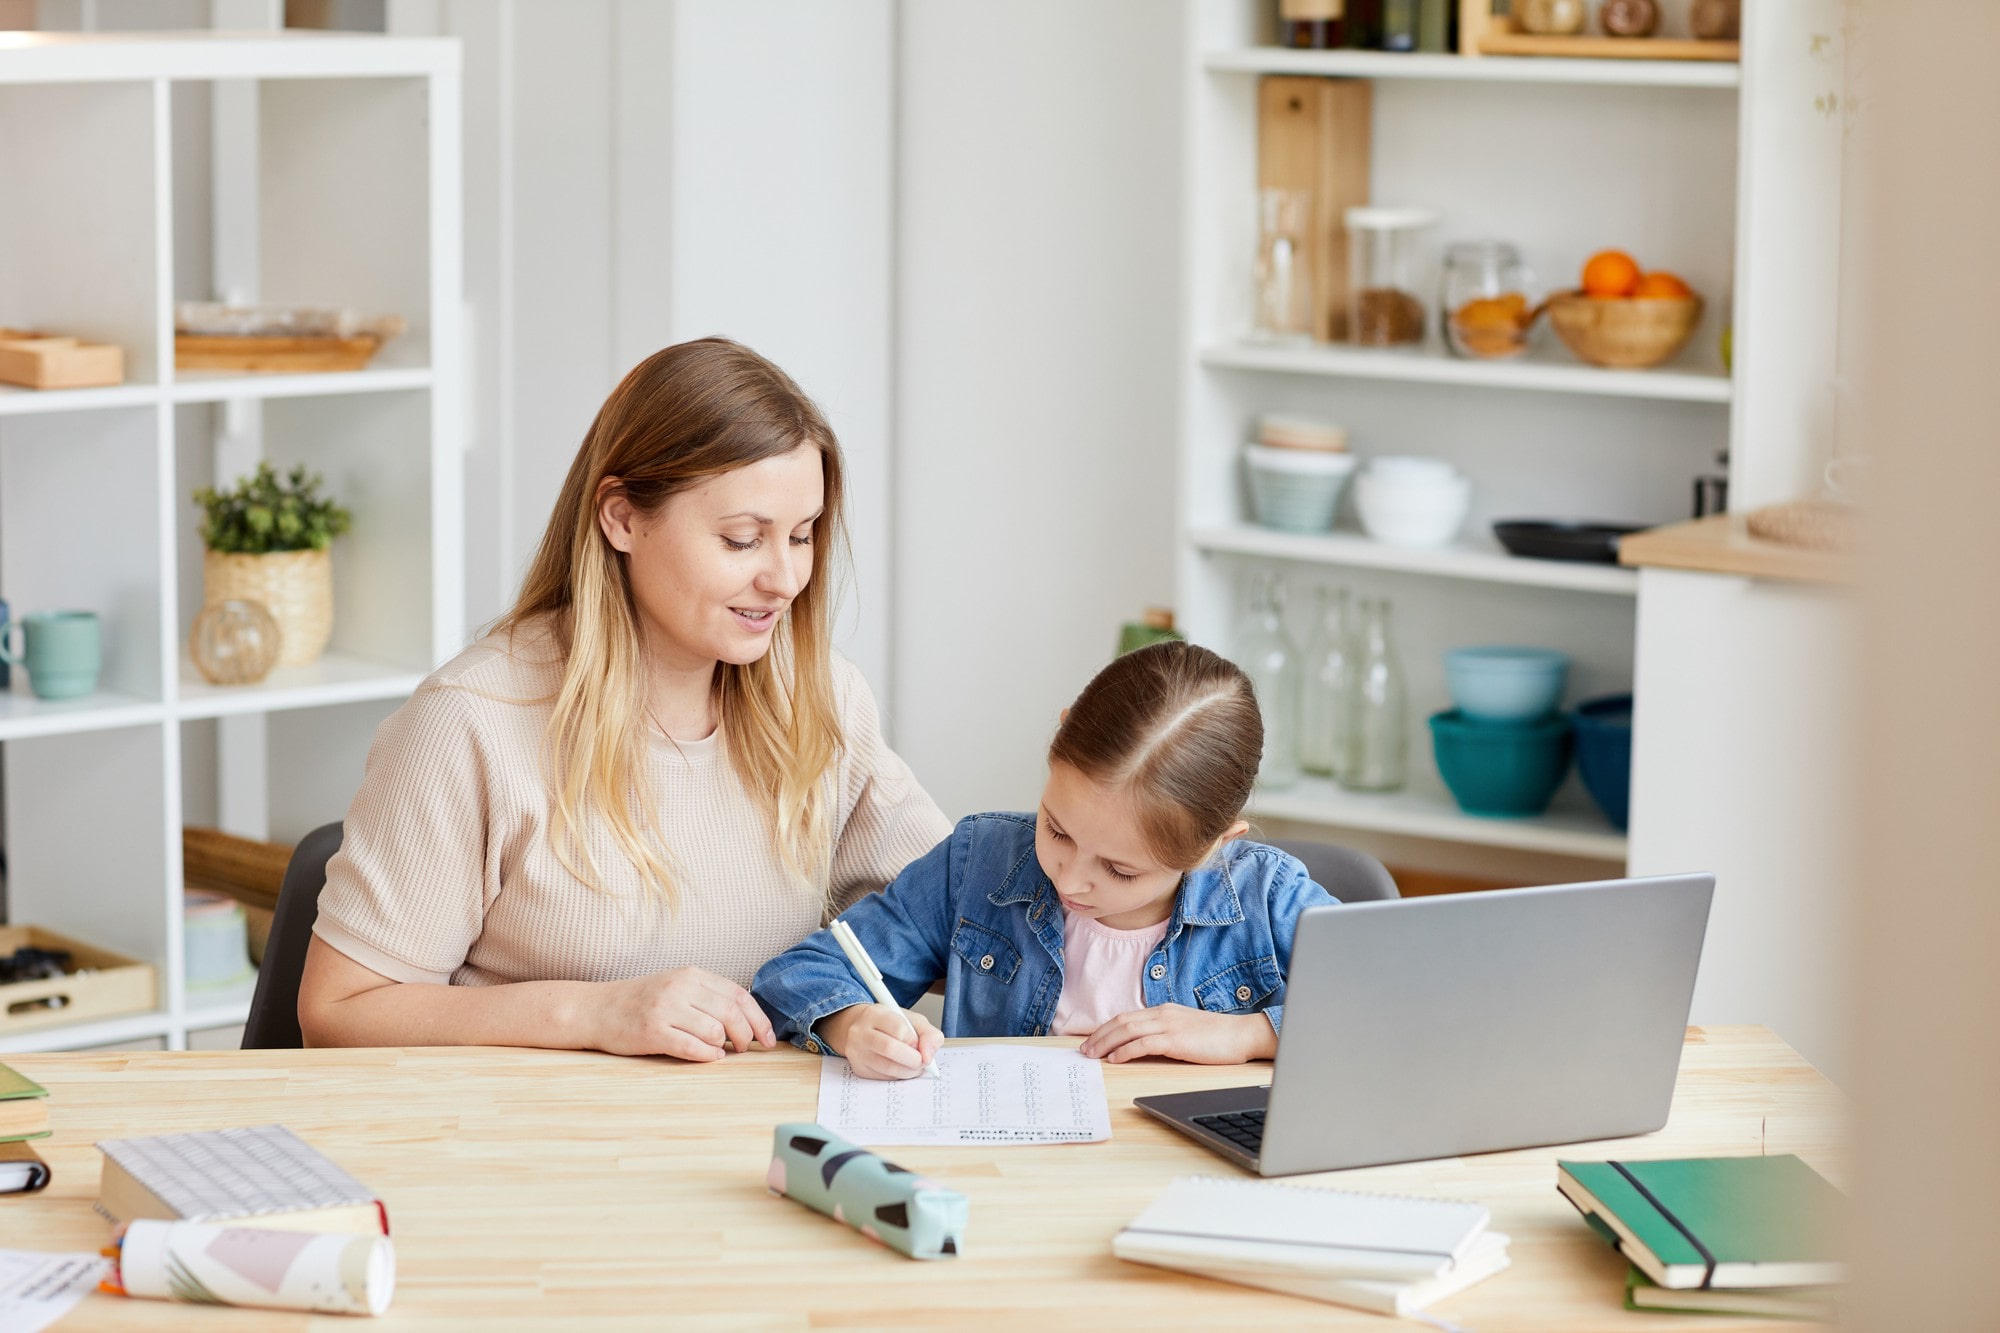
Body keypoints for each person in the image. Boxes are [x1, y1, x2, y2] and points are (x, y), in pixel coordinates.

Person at [297, 338, 950, 1059]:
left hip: (749, 1147)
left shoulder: (820, 697)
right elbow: (337, 1011)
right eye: (742, 540)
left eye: (802, 536)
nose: (786, 578)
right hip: (537, 1149)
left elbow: (960, 908)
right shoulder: (471, 722)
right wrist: (594, 1013)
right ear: (622, 517)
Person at [752, 640, 1341, 1079]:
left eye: (1120, 870)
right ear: (1058, 740)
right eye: (1057, 831)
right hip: (1007, 1176)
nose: (1072, 878)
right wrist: (852, 1024)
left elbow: (1413, 998)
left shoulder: (1267, 897)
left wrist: (1250, 1034)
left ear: (1215, 845)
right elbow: (801, 974)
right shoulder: (979, 862)